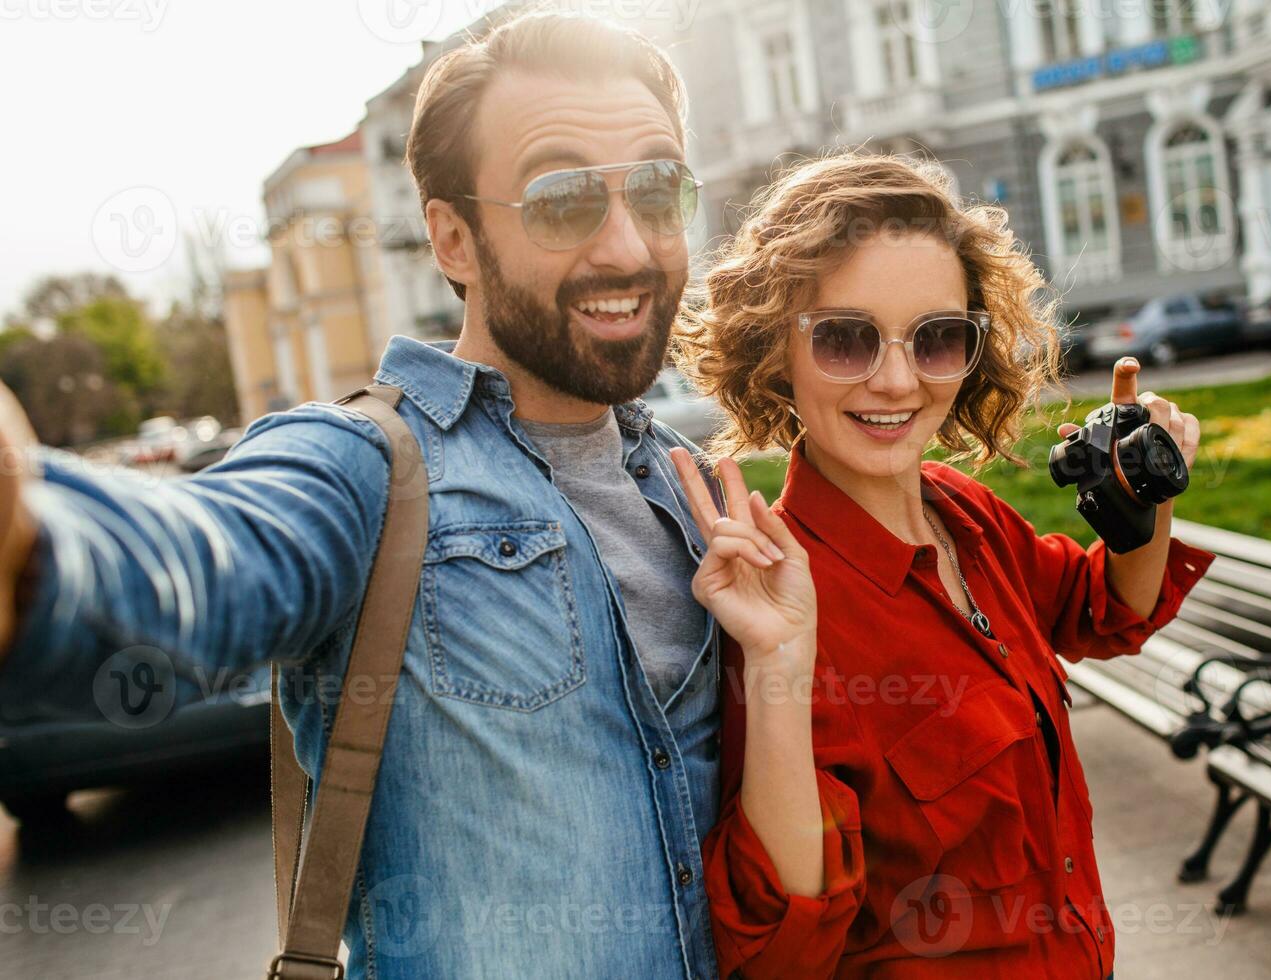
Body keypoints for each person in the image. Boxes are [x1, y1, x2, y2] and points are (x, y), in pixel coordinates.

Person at [0, 12, 726, 978]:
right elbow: (211, 558)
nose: (628, 246)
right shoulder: (367, 466)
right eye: (561, 201)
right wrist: (32, 537)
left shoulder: (691, 486)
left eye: (656, 188)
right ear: (453, 239)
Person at [668, 153, 1216, 979]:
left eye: (937, 338)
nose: (896, 380)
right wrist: (779, 666)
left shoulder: (968, 515)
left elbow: (1104, 612)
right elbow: (785, 944)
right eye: (846, 339)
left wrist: (1145, 495)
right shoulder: (789, 601)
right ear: (775, 350)